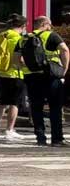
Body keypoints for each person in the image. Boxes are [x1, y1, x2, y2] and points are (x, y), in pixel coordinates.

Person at [21, 15, 68, 146]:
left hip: (31, 77)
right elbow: (64, 50)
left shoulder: (24, 38)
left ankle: (40, 139)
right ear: (44, 24)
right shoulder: (51, 35)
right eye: (49, 25)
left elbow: (17, 59)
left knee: (36, 108)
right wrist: (64, 69)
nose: (50, 27)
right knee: (55, 107)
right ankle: (57, 139)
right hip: (51, 75)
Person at [0, 14, 28, 141]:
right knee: (14, 104)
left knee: (2, 103)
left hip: (1, 73)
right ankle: (9, 130)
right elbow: (19, 57)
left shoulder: (2, 35)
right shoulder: (17, 37)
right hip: (15, 73)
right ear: (23, 26)